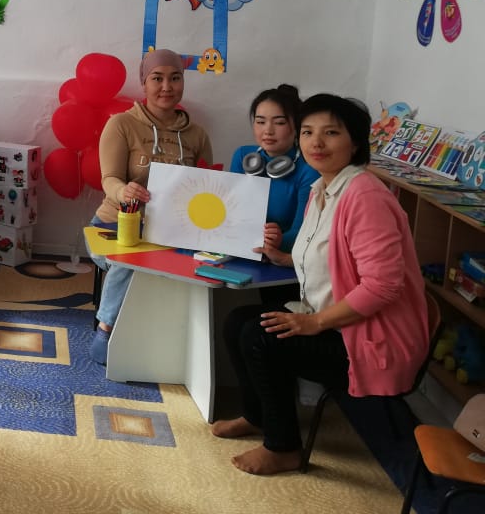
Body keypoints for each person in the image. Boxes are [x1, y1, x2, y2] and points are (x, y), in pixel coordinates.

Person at [212, 94, 430, 475]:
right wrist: (281, 257)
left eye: (331, 133)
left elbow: (383, 286)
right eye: (308, 132)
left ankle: (284, 448)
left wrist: (313, 323)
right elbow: (322, 256)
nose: (316, 142)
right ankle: (258, 416)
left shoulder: (364, 196)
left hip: (369, 337)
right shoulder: (322, 189)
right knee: (238, 322)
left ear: (355, 142)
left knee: (261, 338)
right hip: (337, 321)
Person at [88, 48, 213, 365]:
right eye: (157, 78)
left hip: (170, 232)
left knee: (206, 262)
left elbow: (207, 188)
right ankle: (106, 329)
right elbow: (109, 179)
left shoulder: (197, 135)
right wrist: (123, 190)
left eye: (175, 78)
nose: (167, 87)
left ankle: (187, 343)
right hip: (113, 226)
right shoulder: (121, 124)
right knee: (134, 258)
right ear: (144, 83)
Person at [229, 84, 319, 255]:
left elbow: (303, 234)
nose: (268, 131)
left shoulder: (309, 170)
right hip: (238, 249)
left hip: (280, 259)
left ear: (297, 126)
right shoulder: (242, 156)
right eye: (260, 122)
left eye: (279, 123)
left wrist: (279, 241)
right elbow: (231, 212)